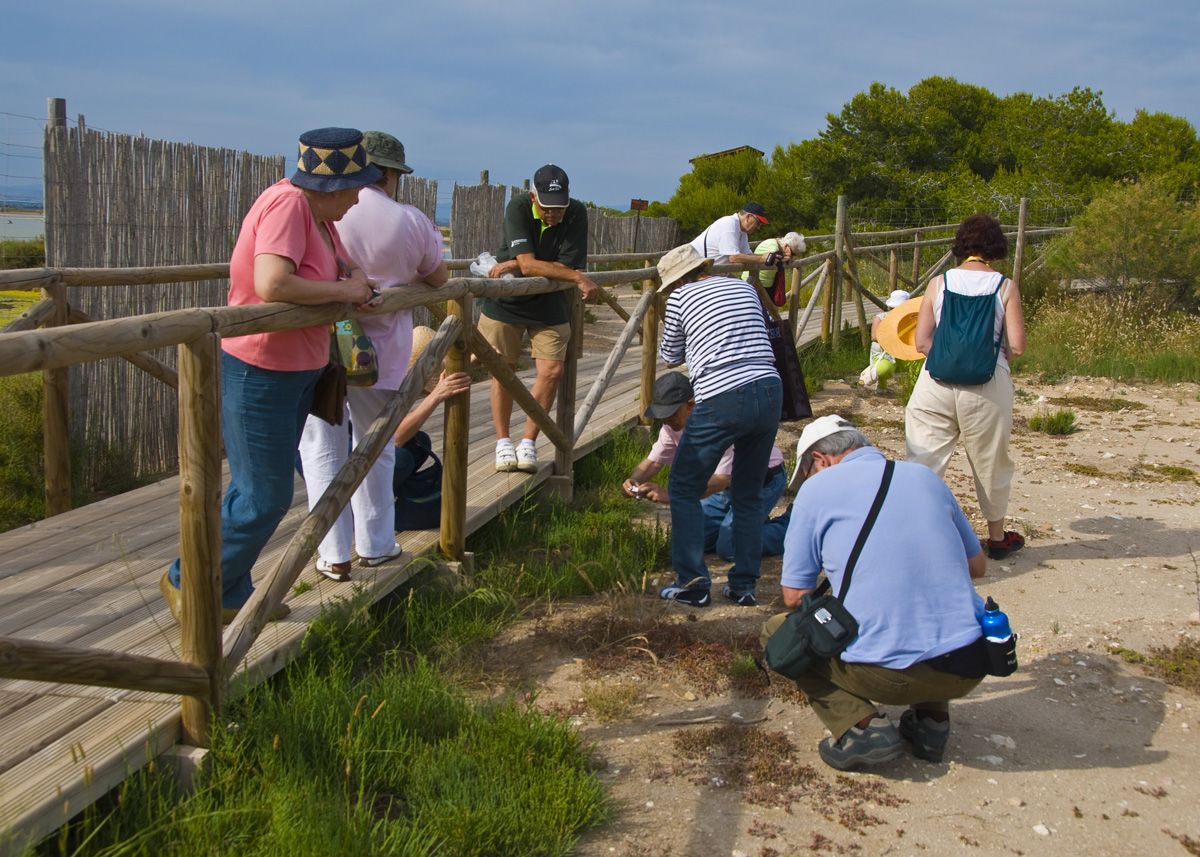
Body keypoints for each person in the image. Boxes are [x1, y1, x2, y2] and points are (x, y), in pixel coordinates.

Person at [160, 127, 382, 623]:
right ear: (331, 187)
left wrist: (354, 284)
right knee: (264, 496)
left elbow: (345, 269)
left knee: (255, 490)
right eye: (354, 188)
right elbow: (273, 282)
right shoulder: (288, 206)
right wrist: (346, 291)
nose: (357, 199)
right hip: (261, 368)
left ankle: (229, 588)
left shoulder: (318, 217)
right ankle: (187, 580)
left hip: (294, 368)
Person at [763, 415, 989, 770]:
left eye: (807, 472)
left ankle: (863, 728)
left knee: (779, 632)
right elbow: (977, 566)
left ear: (820, 460)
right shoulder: (926, 477)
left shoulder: (816, 491)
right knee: (924, 604)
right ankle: (931, 722)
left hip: (889, 678)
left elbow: (795, 596)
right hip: (969, 664)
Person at [297, 131, 466, 582]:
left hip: (323, 345)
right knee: (376, 445)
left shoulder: (320, 213)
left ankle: (332, 552)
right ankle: (375, 543)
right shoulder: (410, 220)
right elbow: (438, 277)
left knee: (322, 445)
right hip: (382, 352)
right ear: (391, 175)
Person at [656, 244, 781, 607]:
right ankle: (743, 586)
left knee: (683, 486)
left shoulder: (679, 298)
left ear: (675, 281)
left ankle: (693, 584)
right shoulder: (743, 287)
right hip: (769, 389)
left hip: (722, 395)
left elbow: (670, 356)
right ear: (703, 267)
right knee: (748, 492)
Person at [905, 214, 1027, 560]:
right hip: (987, 385)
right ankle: (997, 538)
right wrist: (994, 359)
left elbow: (921, 341)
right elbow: (1017, 345)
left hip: (935, 382)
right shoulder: (1005, 286)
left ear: (961, 243)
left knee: (924, 459)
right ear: (995, 246)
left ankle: (918, 537)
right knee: (991, 462)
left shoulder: (938, 283)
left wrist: (948, 358)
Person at [481, 164, 600, 473]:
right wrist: (569, 275)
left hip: (550, 303)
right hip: (506, 301)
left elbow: (563, 265)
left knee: (552, 371)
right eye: (547, 207)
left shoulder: (577, 212)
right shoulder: (518, 207)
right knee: (503, 370)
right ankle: (502, 441)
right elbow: (536, 266)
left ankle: (528, 441)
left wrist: (519, 263)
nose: (553, 214)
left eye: (559, 207)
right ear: (533, 197)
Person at [622, 372, 790, 560]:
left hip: (762, 480)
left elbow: (720, 480)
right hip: (726, 489)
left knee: (731, 546)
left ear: (691, 405)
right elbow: (653, 461)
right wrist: (633, 480)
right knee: (688, 540)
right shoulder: (671, 427)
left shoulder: (720, 422)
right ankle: (750, 525)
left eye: (671, 414)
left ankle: (792, 524)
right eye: (661, 415)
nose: (666, 420)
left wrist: (671, 495)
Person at [857, 289, 911, 390]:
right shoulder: (881, 317)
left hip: (902, 351)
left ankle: (912, 388)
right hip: (884, 352)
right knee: (883, 369)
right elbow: (874, 336)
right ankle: (875, 379)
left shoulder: (910, 320)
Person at [690, 202, 769, 266]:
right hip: (693, 272)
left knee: (745, 282)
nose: (758, 227)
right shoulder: (729, 223)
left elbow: (747, 255)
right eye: (758, 223)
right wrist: (762, 258)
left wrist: (768, 257)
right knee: (743, 282)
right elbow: (734, 257)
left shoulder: (742, 231)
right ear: (748, 217)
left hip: (709, 272)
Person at [742, 231, 806, 289]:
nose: (793, 257)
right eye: (793, 254)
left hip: (763, 283)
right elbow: (771, 258)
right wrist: (784, 259)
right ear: (786, 246)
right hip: (754, 282)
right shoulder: (773, 245)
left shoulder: (778, 246)